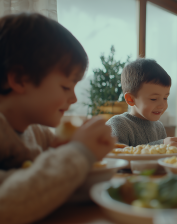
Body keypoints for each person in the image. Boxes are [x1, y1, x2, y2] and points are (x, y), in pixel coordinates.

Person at [0, 13, 115, 223]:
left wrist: (70, 146)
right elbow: (6, 206)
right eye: (65, 87)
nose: (72, 98)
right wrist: (79, 152)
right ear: (19, 79)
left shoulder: (36, 132)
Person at [106, 58, 177, 148]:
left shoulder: (159, 127)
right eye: (153, 99)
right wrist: (160, 145)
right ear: (130, 99)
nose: (163, 105)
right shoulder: (118, 124)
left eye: (165, 98)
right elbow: (117, 155)